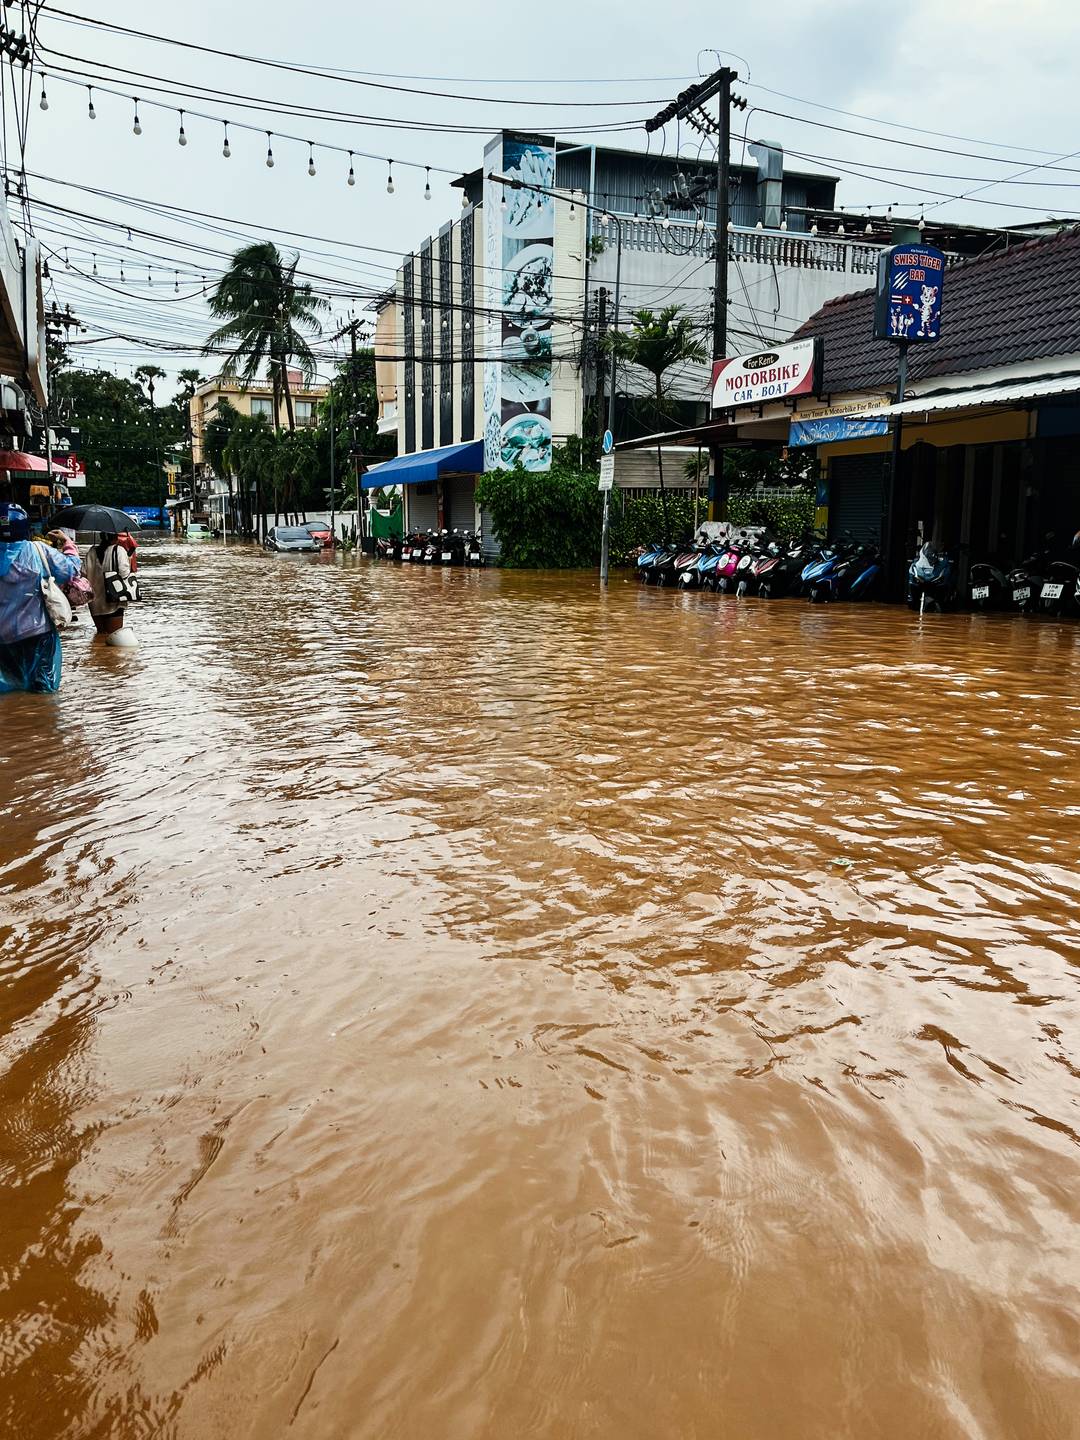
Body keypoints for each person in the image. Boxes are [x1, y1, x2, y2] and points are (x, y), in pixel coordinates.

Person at [0, 502, 79, 693]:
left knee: (11, 689)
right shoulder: (38, 551)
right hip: (38, 633)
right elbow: (71, 570)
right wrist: (68, 544)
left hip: (3, 638)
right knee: (43, 690)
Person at [83, 532, 133, 636]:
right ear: (116, 538)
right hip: (113, 601)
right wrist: (129, 560)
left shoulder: (92, 551)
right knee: (114, 638)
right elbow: (124, 574)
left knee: (100, 636)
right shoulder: (119, 550)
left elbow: (83, 573)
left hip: (95, 603)